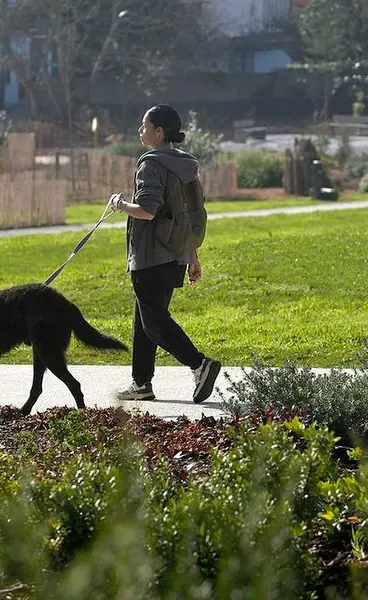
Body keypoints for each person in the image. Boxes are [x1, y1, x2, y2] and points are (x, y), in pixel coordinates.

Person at [110, 104, 221, 404]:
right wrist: (192, 255)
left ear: (160, 132)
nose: (140, 131)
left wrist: (119, 204)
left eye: (144, 126)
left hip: (150, 256)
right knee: (145, 321)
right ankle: (141, 384)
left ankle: (200, 365)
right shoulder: (184, 164)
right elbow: (188, 214)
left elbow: (147, 210)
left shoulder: (151, 164)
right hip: (173, 255)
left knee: (155, 323)